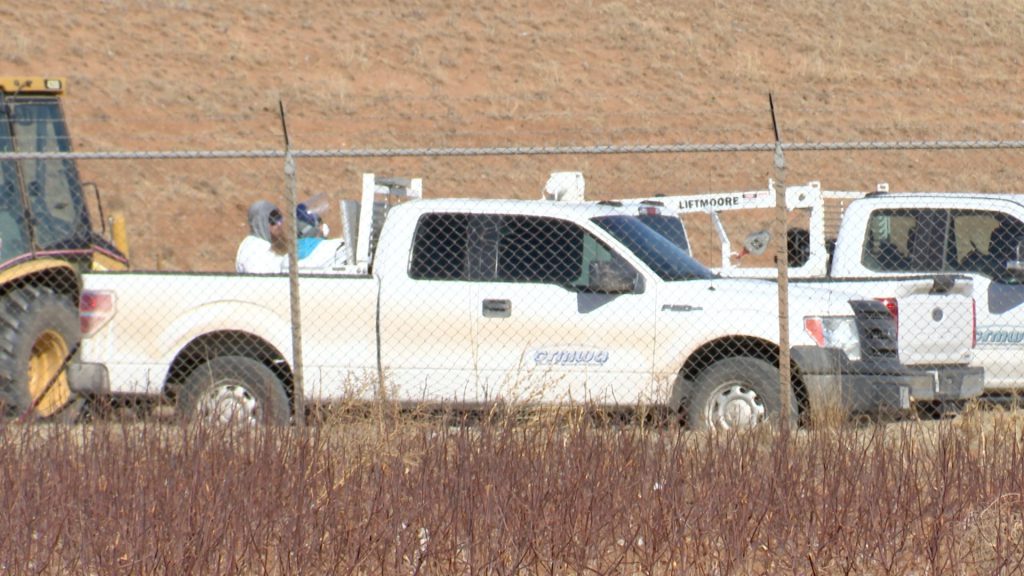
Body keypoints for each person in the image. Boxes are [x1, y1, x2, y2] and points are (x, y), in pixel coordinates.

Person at [236, 201, 288, 274]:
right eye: (273, 220)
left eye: (279, 218)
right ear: (260, 221)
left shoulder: (268, 243)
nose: (279, 224)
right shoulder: (255, 249)